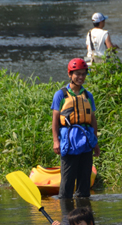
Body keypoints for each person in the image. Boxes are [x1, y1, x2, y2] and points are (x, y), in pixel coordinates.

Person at [51, 58, 100, 199]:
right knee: (67, 179)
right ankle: (66, 214)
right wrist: (56, 141)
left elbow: (93, 120)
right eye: (77, 74)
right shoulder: (61, 95)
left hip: (86, 140)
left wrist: (95, 142)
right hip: (69, 140)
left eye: (83, 74)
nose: (81, 77)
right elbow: (55, 120)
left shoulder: (87, 95)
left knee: (84, 179)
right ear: (70, 75)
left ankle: (83, 213)